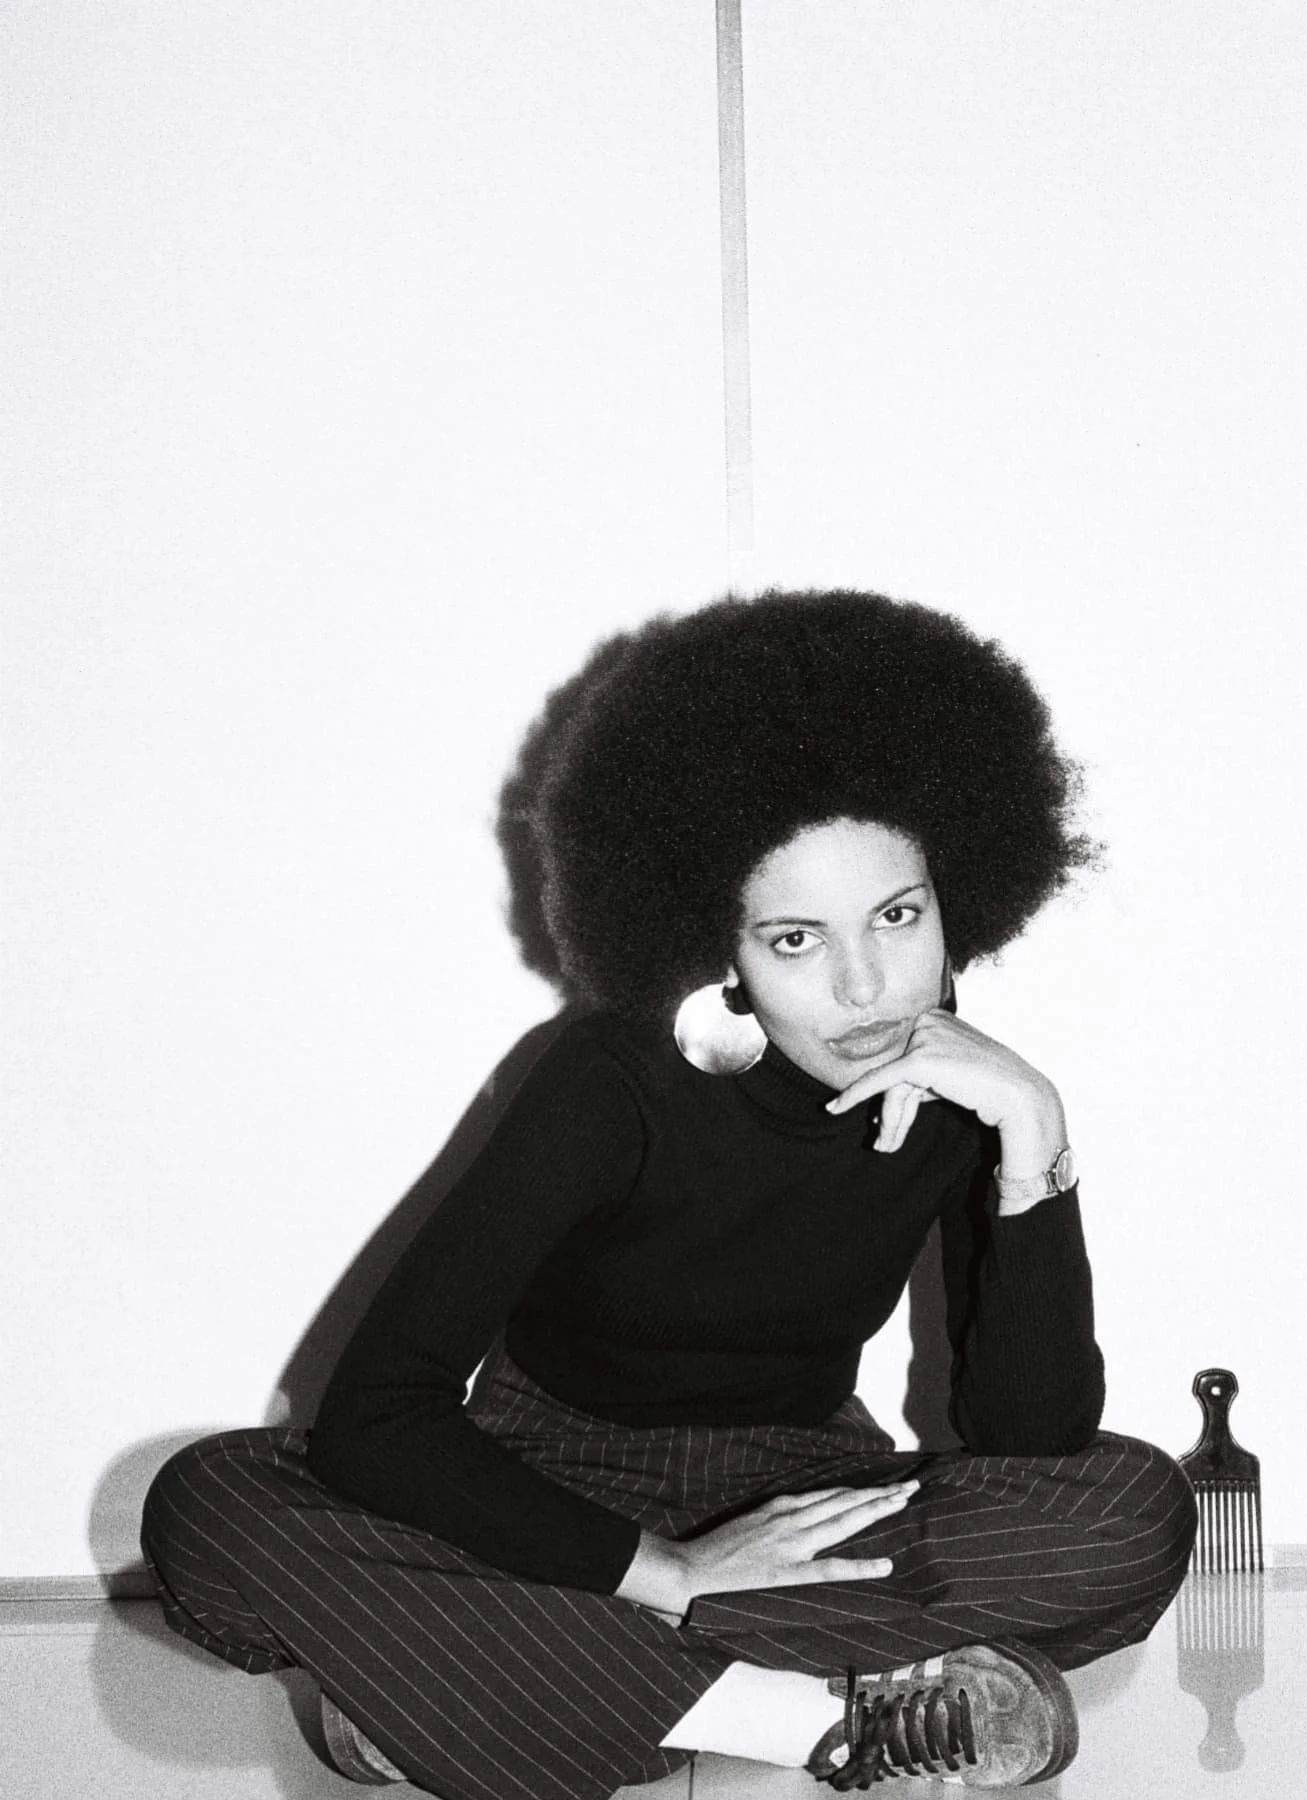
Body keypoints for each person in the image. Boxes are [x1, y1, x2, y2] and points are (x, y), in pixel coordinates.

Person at [141, 589, 1197, 1799]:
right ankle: (809, 1721)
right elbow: (382, 1413)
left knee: (1131, 1510)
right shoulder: (609, 1080)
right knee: (212, 1507)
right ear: (720, 951)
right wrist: (674, 1575)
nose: (866, 985)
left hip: (807, 1495)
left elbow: (1035, 1439)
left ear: (961, 898)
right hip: (552, 1482)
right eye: (796, 939)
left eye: (897, 917)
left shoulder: (965, 1092)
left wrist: (1037, 1137)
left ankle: (464, 1683)